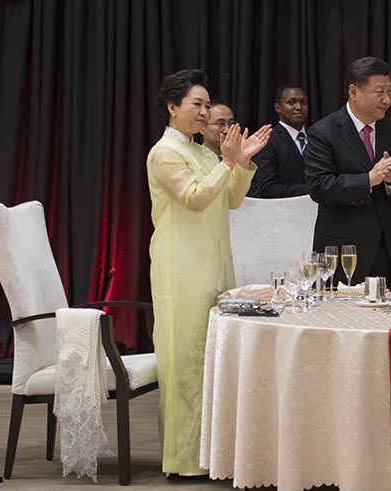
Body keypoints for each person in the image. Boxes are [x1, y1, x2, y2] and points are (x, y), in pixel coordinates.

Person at [147, 69, 271, 476]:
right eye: (196, 105)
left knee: (210, 361)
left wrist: (242, 163)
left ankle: (212, 456)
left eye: (206, 104)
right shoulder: (164, 152)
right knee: (185, 361)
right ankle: (184, 461)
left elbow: (231, 201)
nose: (203, 112)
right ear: (172, 107)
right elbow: (196, 199)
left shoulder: (202, 152)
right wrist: (229, 161)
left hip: (214, 263)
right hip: (180, 267)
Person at [304, 57, 391, 286]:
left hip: (389, 248)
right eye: (379, 92)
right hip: (342, 251)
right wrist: (369, 179)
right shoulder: (323, 132)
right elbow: (319, 186)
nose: (387, 99)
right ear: (353, 91)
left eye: (390, 91)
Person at [249, 84, 312, 198]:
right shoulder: (266, 140)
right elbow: (265, 188)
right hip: (281, 212)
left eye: (304, 102)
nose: (299, 107)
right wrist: (314, 189)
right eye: (291, 102)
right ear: (278, 107)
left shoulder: (317, 138)